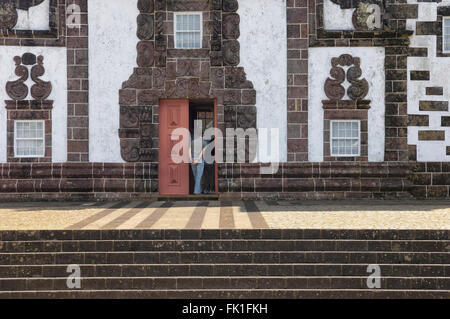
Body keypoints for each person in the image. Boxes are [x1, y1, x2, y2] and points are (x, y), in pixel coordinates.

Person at [189, 131, 209, 195]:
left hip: (192, 161)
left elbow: (188, 151)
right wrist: (197, 160)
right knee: (198, 176)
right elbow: (202, 153)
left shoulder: (192, 142)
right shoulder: (204, 142)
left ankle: (199, 190)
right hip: (199, 160)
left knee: (196, 176)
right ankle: (196, 191)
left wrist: (191, 159)